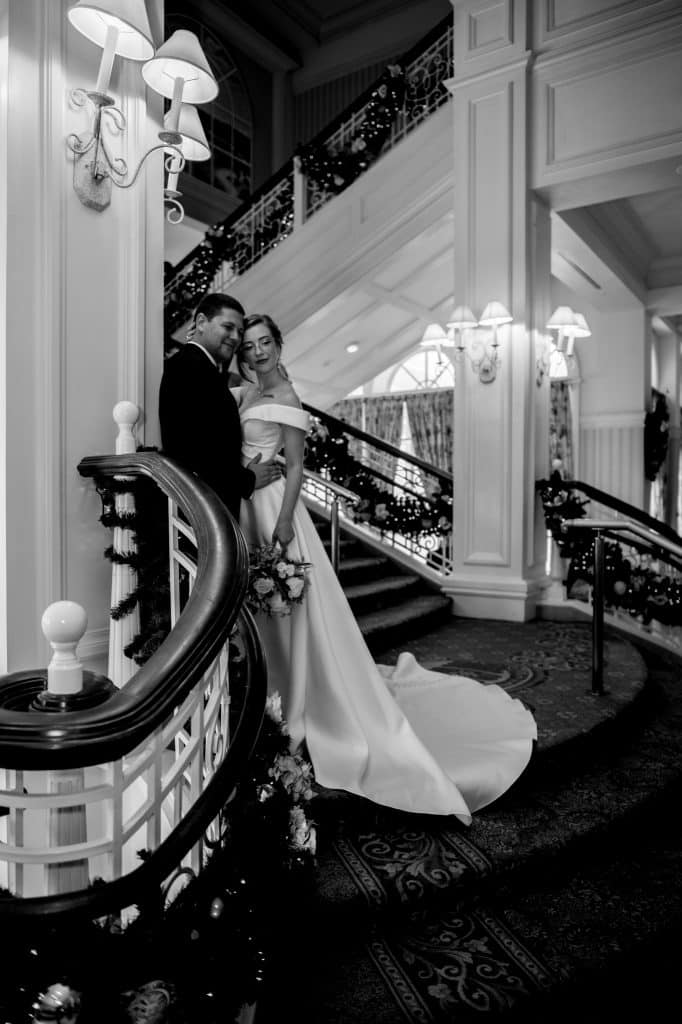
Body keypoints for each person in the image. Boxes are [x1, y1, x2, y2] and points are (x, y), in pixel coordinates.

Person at [234, 314, 537, 824]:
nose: (259, 351)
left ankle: (304, 698)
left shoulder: (285, 395)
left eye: (266, 342)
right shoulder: (243, 391)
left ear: (278, 345)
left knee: (291, 611)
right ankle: (273, 693)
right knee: (264, 613)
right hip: (244, 507)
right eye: (250, 344)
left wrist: (285, 520)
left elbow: (295, 465)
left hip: (273, 511)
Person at [159, 293, 280, 522]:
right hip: (203, 511)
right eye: (228, 327)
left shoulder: (201, 367)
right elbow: (193, 449)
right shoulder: (190, 368)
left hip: (211, 505)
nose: (235, 337)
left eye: (240, 332)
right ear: (202, 322)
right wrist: (248, 480)